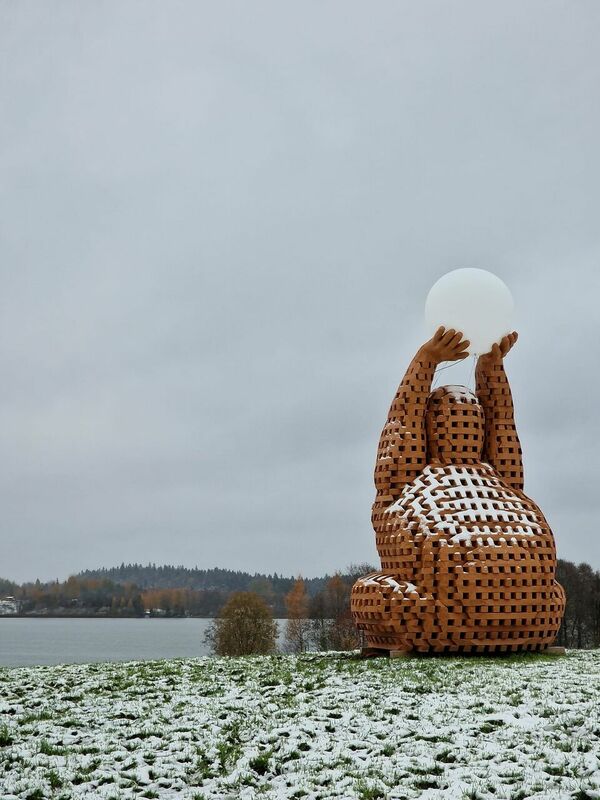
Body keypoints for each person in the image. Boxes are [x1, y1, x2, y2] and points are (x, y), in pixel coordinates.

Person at [351, 326, 565, 653]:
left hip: (440, 624)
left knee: (365, 590)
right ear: (481, 431)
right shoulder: (504, 481)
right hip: (537, 620)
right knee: (553, 589)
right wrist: (491, 367)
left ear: (428, 428)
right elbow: (504, 424)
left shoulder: (406, 485)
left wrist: (426, 359)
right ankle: (507, 632)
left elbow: (401, 423)